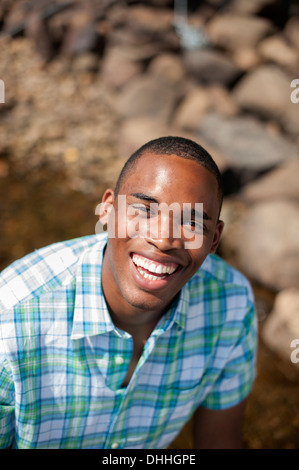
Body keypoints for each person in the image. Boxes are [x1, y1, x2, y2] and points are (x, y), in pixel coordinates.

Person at [0, 136, 257, 449]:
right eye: (145, 210)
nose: (163, 240)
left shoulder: (232, 304)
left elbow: (220, 443)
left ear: (214, 239)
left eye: (191, 222)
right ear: (106, 210)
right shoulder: (10, 322)